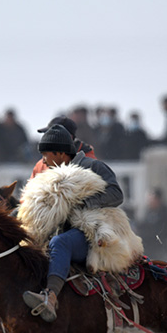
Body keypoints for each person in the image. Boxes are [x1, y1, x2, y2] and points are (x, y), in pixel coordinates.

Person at [22, 124, 124, 322]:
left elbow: (116, 194)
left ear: (60, 153)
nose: (43, 160)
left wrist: (82, 203)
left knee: (60, 243)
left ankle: (50, 297)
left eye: (46, 155)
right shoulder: (49, 176)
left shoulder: (93, 167)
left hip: (91, 234)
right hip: (61, 233)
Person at [30, 116, 96, 179]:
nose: (46, 137)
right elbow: (30, 186)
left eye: (52, 135)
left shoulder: (90, 165)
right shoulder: (41, 165)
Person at [137, 187, 167, 261]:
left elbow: (164, 231)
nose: (150, 202)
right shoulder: (148, 212)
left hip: (159, 249)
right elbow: (142, 226)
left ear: (158, 200)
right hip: (148, 248)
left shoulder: (164, 213)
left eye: (153, 199)